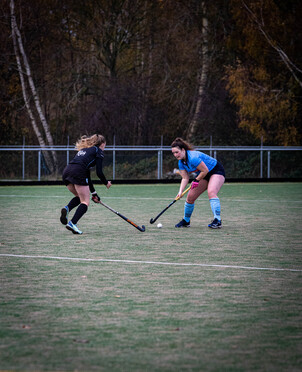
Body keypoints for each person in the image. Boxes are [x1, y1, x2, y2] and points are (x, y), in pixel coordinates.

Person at [60, 134, 112, 234]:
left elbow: (87, 176)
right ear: (102, 144)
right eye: (105, 146)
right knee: (85, 202)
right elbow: (99, 172)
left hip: (67, 171)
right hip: (78, 172)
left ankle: (67, 208)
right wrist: (106, 183)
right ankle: (72, 223)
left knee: (80, 197)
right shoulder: (98, 151)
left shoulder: (84, 151)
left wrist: (94, 193)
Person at [171, 137, 225, 229]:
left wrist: (196, 180)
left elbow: (205, 170)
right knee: (190, 197)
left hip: (215, 171)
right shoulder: (181, 163)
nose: (175, 155)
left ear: (183, 150)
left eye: (177, 152)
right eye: (173, 153)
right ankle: (186, 221)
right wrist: (180, 192)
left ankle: (217, 220)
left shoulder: (193, 158)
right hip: (203, 174)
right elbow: (185, 178)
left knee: (211, 192)